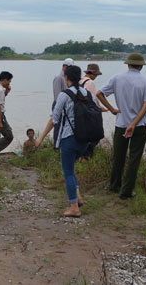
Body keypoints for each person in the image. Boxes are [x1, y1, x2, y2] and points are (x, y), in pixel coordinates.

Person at [96, 53, 146, 200]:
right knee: (134, 158)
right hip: (139, 126)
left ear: (128, 64)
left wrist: (112, 109)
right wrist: (133, 124)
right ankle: (126, 191)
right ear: (141, 66)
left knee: (118, 157)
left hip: (121, 124)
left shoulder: (117, 78)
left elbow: (99, 94)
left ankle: (114, 186)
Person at [35, 65, 89, 217]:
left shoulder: (64, 95)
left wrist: (40, 138)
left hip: (69, 139)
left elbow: (54, 119)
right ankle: (78, 198)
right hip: (85, 140)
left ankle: (74, 208)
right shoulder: (86, 93)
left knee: (68, 172)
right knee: (71, 169)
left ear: (66, 78)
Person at [79, 63, 108, 158]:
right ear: (92, 74)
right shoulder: (90, 82)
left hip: (80, 112)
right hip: (89, 113)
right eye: (96, 75)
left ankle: (81, 154)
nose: (96, 77)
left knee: (84, 135)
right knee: (96, 135)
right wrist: (100, 108)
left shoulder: (80, 81)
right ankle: (87, 156)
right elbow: (92, 98)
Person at [52, 58, 74, 148]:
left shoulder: (67, 78)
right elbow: (57, 95)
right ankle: (56, 147)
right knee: (57, 126)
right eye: (69, 67)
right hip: (58, 104)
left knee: (64, 126)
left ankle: (62, 145)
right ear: (64, 66)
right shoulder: (58, 78)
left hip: (66, 105)